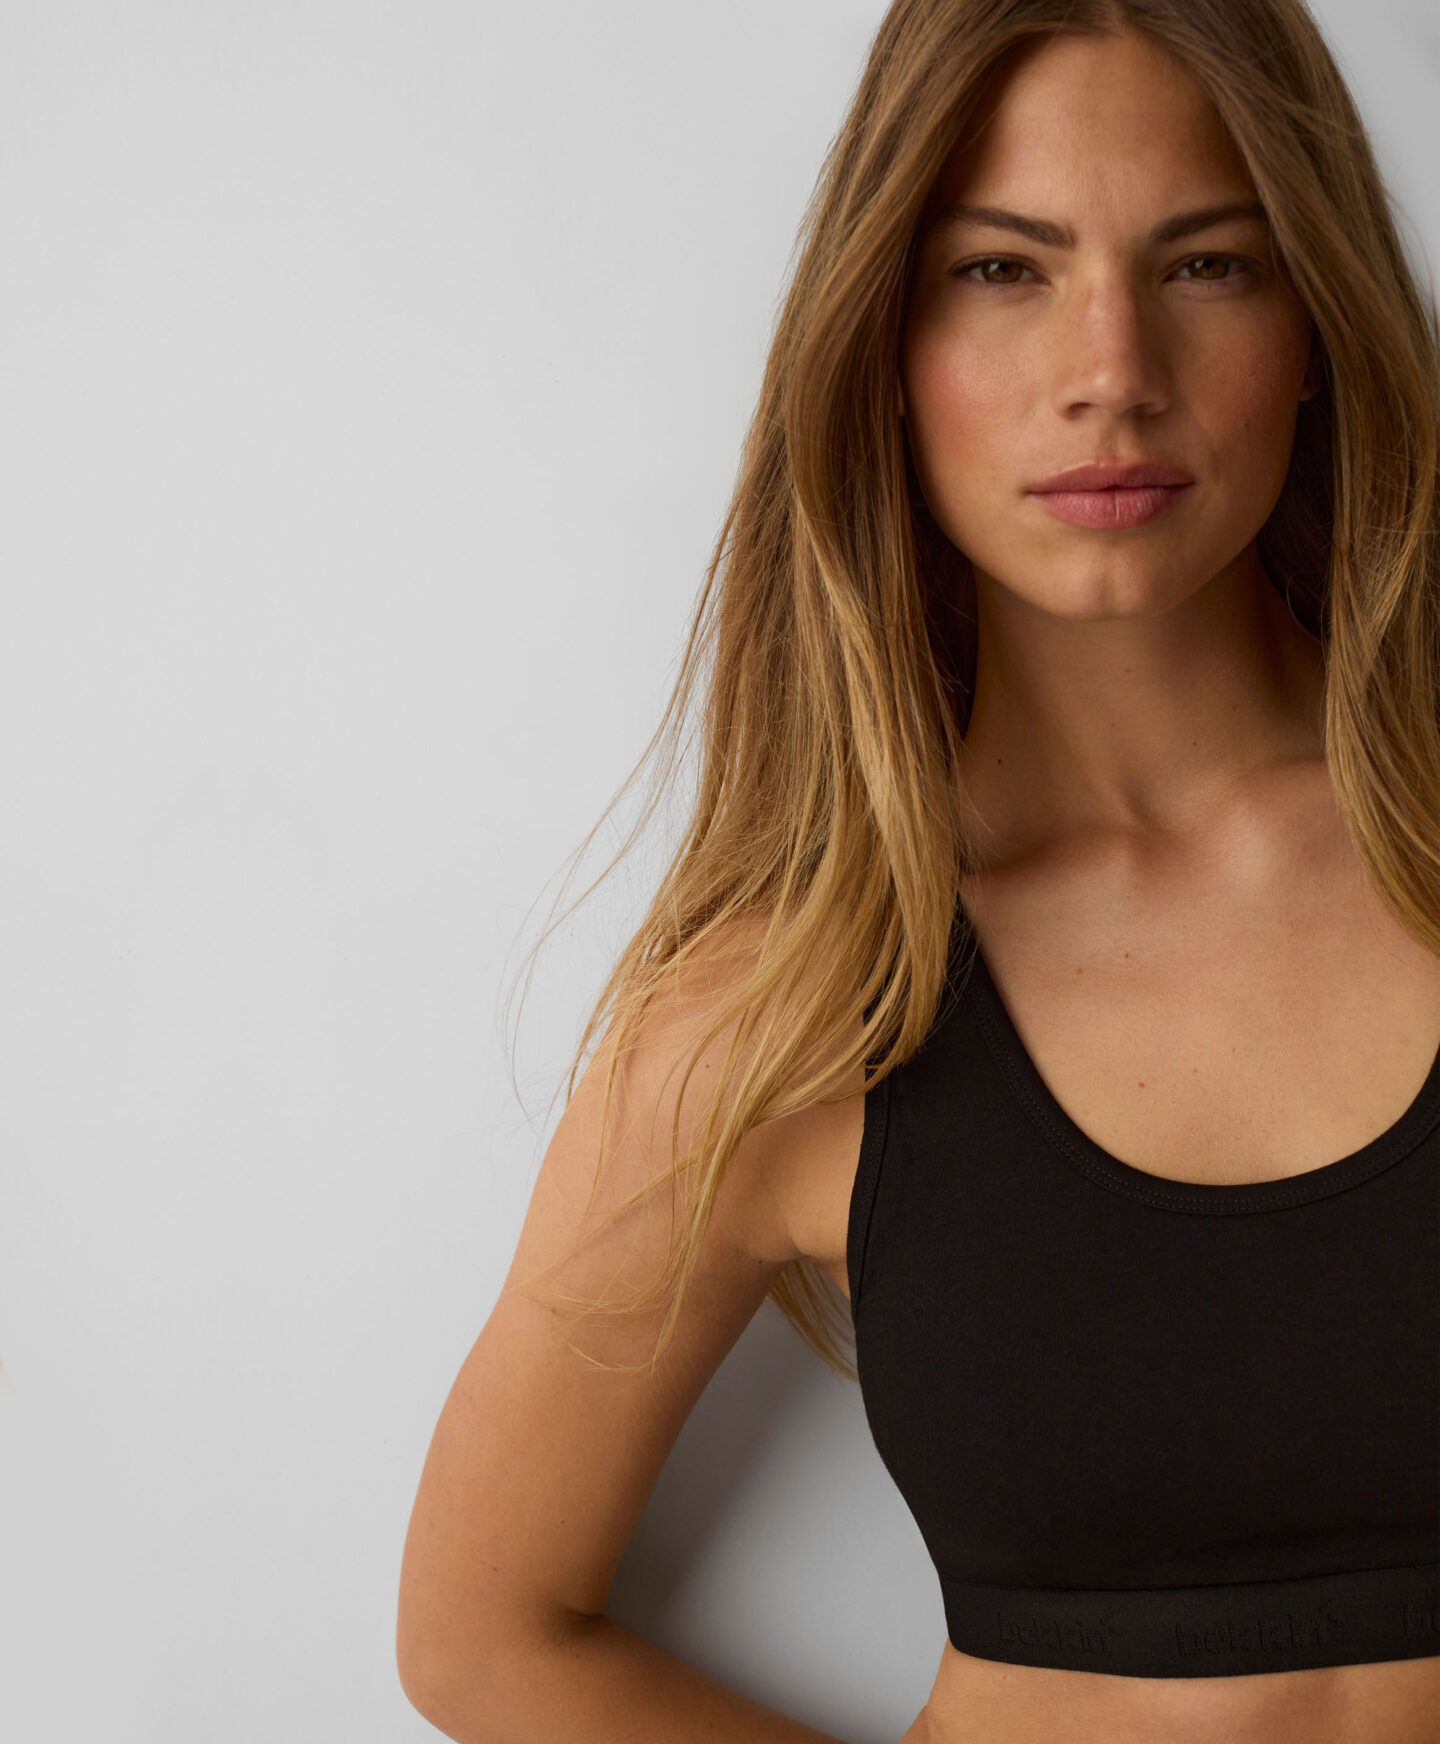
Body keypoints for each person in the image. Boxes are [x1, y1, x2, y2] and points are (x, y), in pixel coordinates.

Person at [395, 2, 1440, 1739]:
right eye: (1001, 271)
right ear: (882, 338)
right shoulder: (787, 1007)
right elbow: (482, 1639)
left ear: (1317, 321)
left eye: (1207, 264)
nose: (1111, 369)